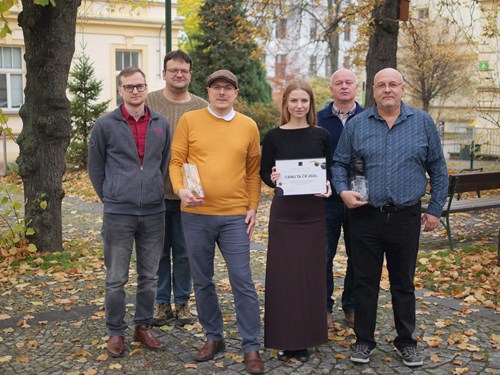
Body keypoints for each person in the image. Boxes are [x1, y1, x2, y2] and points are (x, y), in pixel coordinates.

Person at [332, 68, 448, 367]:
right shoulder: (357, 124)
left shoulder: (422, 122)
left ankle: (406, 342)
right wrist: (343, 190)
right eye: (381, 85)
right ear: (373, 90)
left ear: (402, 89)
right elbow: (339, 163)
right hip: (365, 217)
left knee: (403, 283)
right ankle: (363, 341)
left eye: (393, 84)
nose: (387, 90)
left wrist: (435, 208)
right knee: (364, 282)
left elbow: (437, 166)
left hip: (406, 217)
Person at [169, 70, 264, 374]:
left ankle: (251, 346)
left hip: (235, 216)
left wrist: (253, 206)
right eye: (216, 87)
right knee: (203, 280)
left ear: (236, 93)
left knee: (242, 281)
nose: (222, 92)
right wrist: (180, 189)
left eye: (228, 88)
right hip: (196, 215)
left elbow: (252, 172)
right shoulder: (190, 121)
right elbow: (176, 161)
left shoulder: (248, 126)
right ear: (208, 91)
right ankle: (214, 337)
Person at [88, 67, 171, 358]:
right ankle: (115, 331)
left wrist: (148, 189)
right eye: (129, 87)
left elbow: (163, 163)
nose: (135, 91)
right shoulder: (105, 125)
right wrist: (113, 195)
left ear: (146, 88)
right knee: (115, 278)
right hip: (118, 213)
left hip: (153, 212)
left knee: (149, 276)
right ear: (120, 90)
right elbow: (96, 168)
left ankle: (143, 326)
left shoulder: (161, 123)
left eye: (139, 86)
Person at [260, 79, 332, 362]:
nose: (299, 106)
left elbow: (330, 170)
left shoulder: (321, 135)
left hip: (312, 213)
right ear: (286, 104)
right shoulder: (274, 136)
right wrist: (273, 178)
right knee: (283, 276)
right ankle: (283, 337)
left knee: (310, 276)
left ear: (310, 104)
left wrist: (328, 186)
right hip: (285, 214)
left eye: (304, 101)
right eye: (294, 101)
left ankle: (307, 337)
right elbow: (265, 172)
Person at [146, 50, 208, 326]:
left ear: (190, 74)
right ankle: (162, 304)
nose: (179, 74)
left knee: (185, 251)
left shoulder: (202, 107)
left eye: (184, 70)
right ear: (164, 73)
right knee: (158, 252)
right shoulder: (149, 102)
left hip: (189, 193)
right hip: (155, 191)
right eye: (174, 70)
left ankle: (182, 303)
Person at [317, 68, 364, 328]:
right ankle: (323, 306)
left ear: (357, 87)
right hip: (327, 200)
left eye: (349, 82)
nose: (344, 86)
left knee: (358, 256)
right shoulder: (318, 118)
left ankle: (352, 305)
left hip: (360, 198)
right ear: (332, 88)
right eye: (339, 83)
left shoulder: (370, 117)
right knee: (323, 255)